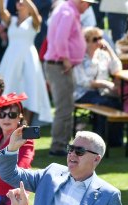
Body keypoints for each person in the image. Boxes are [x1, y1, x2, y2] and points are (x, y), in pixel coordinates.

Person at [42, 0, 93, 157]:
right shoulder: (68, 12)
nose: (89, 6)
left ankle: (62, 144)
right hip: (60, 65)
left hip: (60, 65)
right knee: (64, 108)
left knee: (65, 107)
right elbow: (60, 39)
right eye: (87, 3)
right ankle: (58, 146)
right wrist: (65, 58)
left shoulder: (66, 10)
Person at [0, 0, 52, 125]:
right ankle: (9, 123)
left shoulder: (34, 21)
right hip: (11, 59)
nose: (20, 2)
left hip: (29, 60)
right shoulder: (11, 20)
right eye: (18, 1)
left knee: (30, 91)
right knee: (9, 89)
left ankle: (26, 126)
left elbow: (35, 13)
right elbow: (1, 11)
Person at [75, 27, 124, 147]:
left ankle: (115, 141)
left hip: (101, 92)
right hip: (83, 93)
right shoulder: (79, 58)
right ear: (85, 41)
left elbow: (117, 68)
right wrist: (104, 83)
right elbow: (83, 82)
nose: (99, 42)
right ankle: (97, 143)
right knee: (104, 103)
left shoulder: (103, 55)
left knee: (117, 103)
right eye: (95, 39)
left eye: (100, 38)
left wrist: (110, 51)